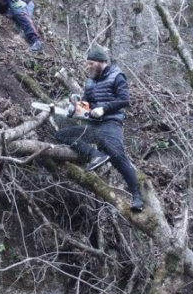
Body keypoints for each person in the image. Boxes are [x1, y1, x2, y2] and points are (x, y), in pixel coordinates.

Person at [55, 45, 144, 213]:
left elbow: (124, 100)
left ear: (100, 63)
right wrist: (76, 106)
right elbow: (86, 103)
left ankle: (137, 196)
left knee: (118, 157)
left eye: (90, 63)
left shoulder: (117, 76)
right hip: (94, 125)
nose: (88, 67)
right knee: (61, 135)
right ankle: (95, 155)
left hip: (111, 124)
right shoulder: (90, 80)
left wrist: (104, 108)